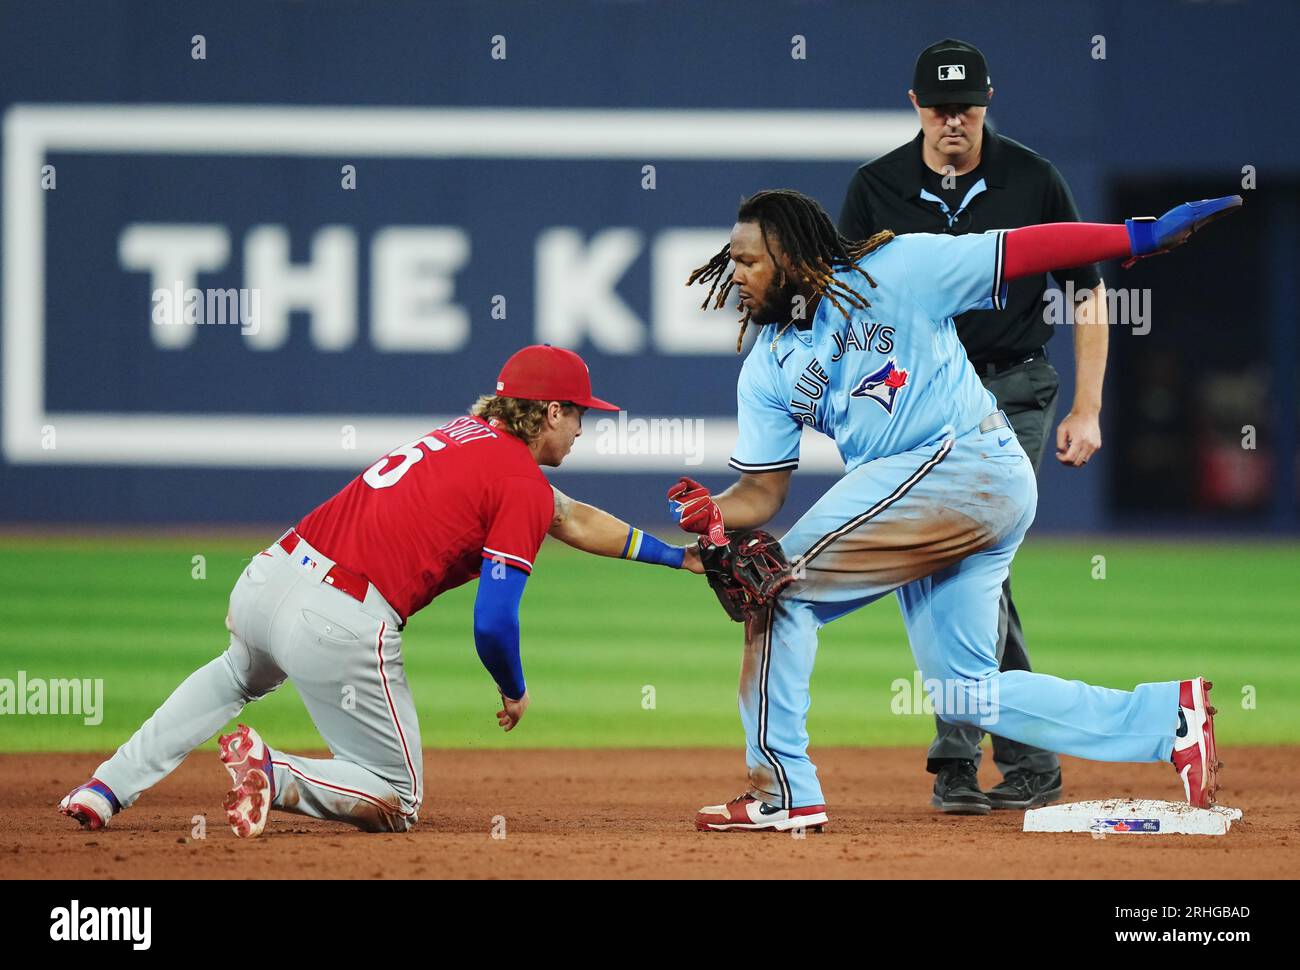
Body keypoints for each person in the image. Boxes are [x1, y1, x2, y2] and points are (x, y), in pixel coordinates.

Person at [671, 188, 1236, 832]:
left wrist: (1134, 238)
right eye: (732, 261)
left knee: (777, 592)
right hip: (943, 500)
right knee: (967, 692)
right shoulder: (767, 367)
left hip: (962, 464)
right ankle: (1169, 721)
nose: (734, 274)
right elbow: (761, 493)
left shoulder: (898, 269)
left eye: (748, 261)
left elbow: (1025, 247)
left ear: (792, 256)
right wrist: (715, 513)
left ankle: (783, 792)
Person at [58, 344, 701, 837]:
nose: (585, 429)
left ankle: (103, 788)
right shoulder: (520, 484)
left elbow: (573, 518)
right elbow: (494, 623)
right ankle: (275, 772)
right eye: (580, 414)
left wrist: (679, 558)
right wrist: (513, 687)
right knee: (398, 797)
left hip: (270, 575)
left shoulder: (466, 437)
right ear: (551, 412)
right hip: (338, 618)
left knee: (233, 675)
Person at [838, 38, 1107, 814]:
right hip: (919, 403)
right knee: (959, 567)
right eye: (939, 104)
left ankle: (956, 758)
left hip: (1010, 392)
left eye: (967, 104)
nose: (954, 118)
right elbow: (854, 309)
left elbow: (1087, 294)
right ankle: (1030, 762)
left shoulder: (1032, 178)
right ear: (915, 104)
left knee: (968, 549)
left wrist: (1087, 407)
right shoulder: (876, 187)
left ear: (988, 102)